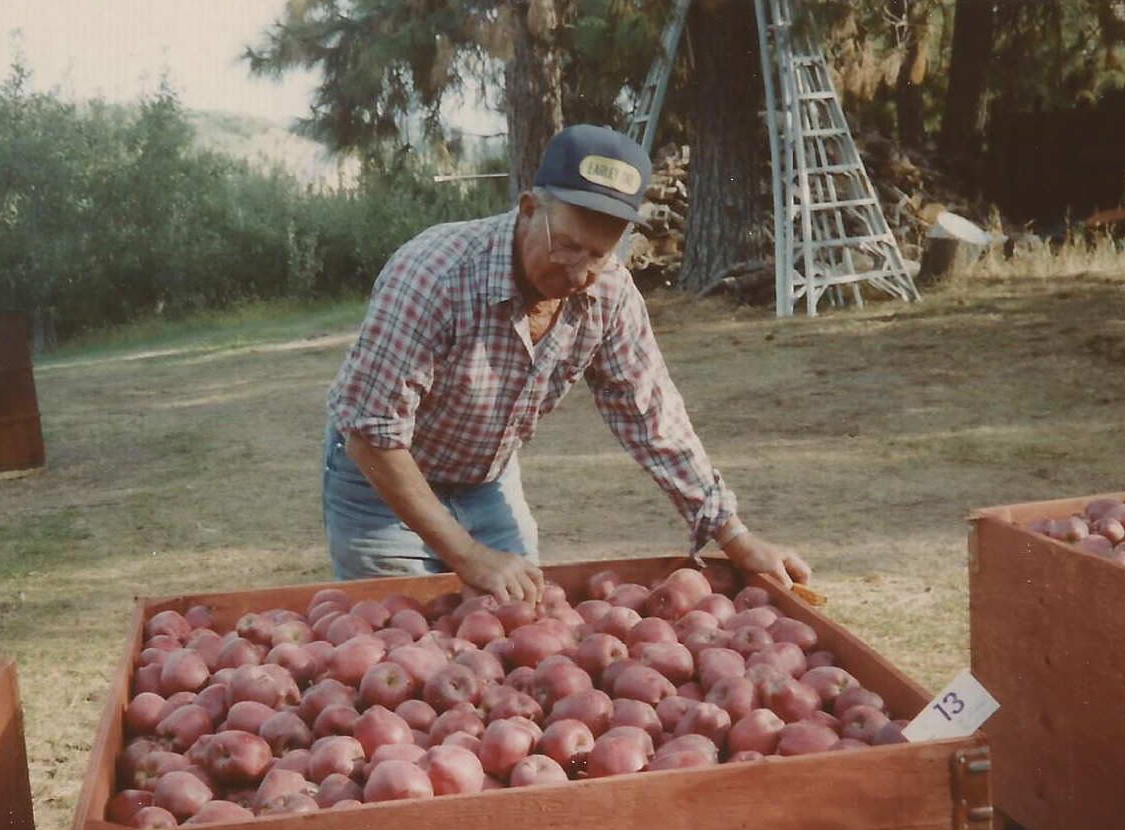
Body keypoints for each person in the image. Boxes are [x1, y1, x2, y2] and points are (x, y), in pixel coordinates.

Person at [322, 124, 810, 604]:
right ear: (530, 210)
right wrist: (468, 554)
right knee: (405, 636)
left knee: (516, 635)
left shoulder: (610, 292)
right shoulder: (433, 275)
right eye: (569, 245)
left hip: (484, 481)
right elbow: (370, 432)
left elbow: (653, 415)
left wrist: (734, 535)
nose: (580, 271)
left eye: (598, 253)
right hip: (382, 486)